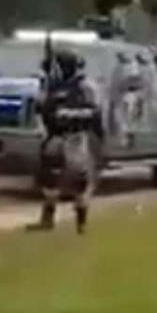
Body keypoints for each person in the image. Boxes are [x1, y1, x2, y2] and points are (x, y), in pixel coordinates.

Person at [34, 49, 103, 233]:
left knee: (80, 181)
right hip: (55, 137)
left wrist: (69, 114)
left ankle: (81, 223)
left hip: (76, 137)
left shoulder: (84, 86)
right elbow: (41, 108)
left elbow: (94, 112)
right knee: (50, 180)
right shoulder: (52, 85)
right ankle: (47, 218)